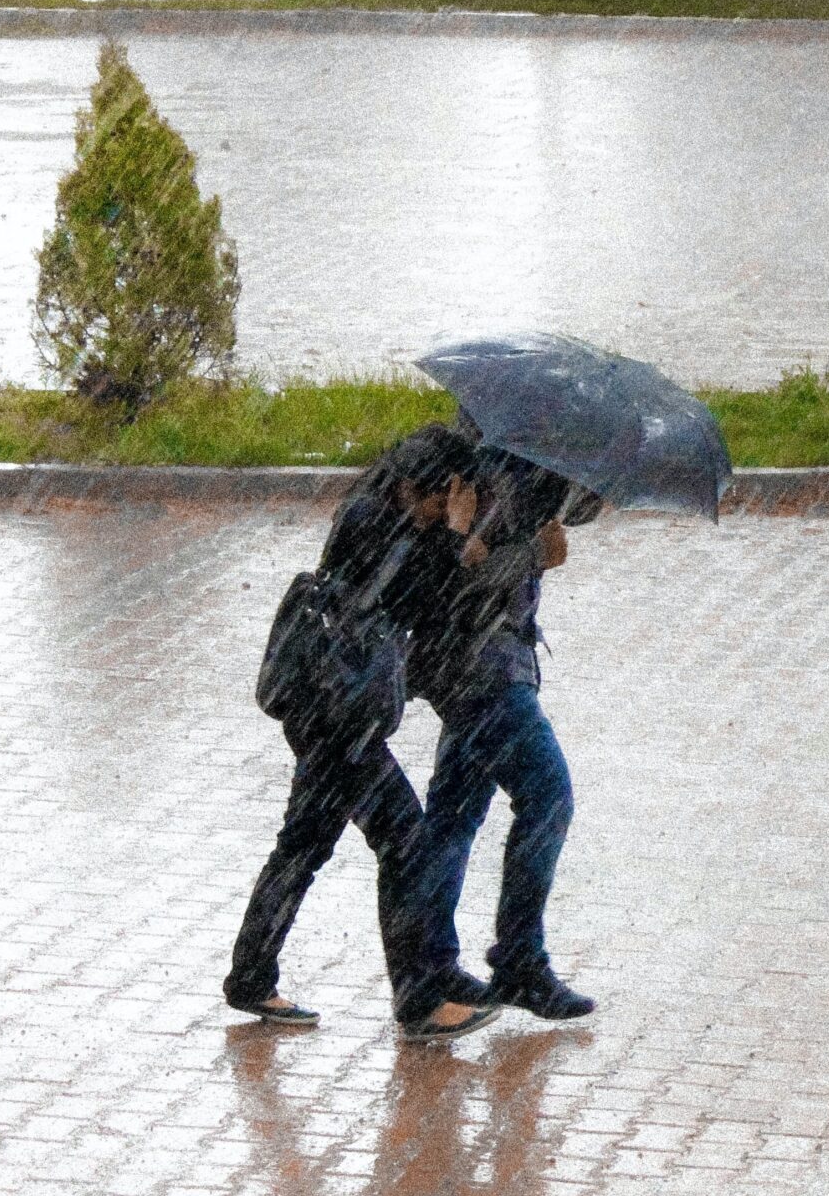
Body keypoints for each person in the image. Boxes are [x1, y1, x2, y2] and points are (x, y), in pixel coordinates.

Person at [224, 425, 522, 1042]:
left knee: (305, 843)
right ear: (421, 487)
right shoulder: (381, 526)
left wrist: (454, 536)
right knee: (404, 840)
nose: (452, 505)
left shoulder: (383, 512)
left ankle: (251, 976)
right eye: (448, 495)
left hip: (325, 704)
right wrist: (459, 538)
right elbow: (429, 600)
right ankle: (418, 1001)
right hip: (339, 717)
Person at [410, 447, 602, 1022]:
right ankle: (517, 959)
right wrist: (533, 554)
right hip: (482, 671)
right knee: (548, 796)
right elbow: (461, 582)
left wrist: (597, 478)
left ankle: (431, 964)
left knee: (453, 814)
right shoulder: (485, 467)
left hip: (480, 665)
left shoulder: (526, 454)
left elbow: (573, 508)